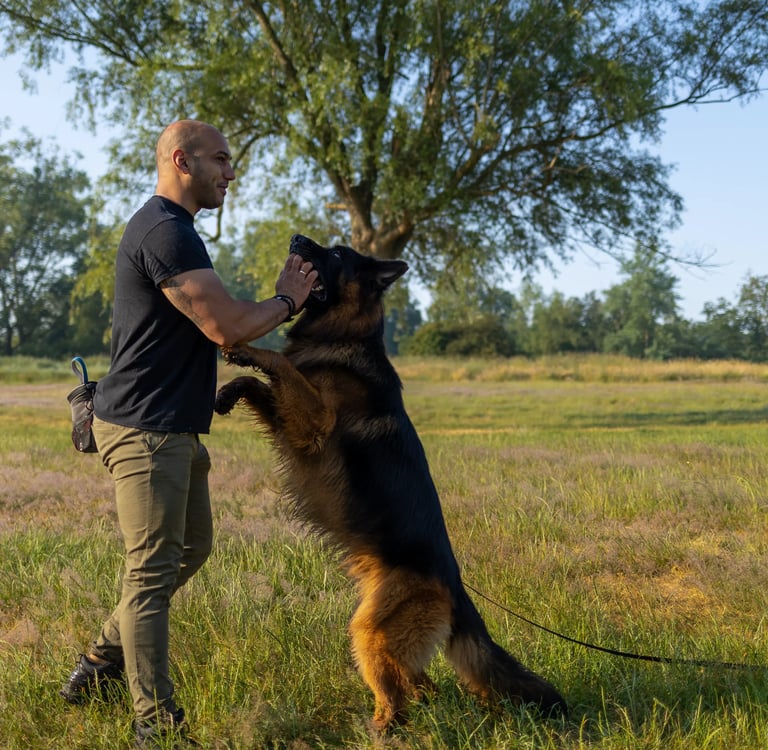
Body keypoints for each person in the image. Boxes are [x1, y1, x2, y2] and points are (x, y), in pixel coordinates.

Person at [59, 119, 318, 748]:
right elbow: (226, 327)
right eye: (221, 160)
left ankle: (100, 660)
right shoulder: (165, 232)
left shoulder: (177, 231)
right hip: (145, 431)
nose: (231, 173)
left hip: (171, 427)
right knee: (149, 576)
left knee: (192, 548)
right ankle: (155, 725)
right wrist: (288, 301)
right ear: (182, 161)